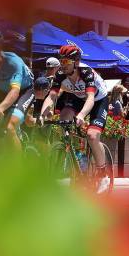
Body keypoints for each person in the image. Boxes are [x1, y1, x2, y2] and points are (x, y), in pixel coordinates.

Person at [51, 45, 110, 194]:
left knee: (92, 135)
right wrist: (43, 114)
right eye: (61, 61)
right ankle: (78, 154)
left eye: (66, 62)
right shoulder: (60, 74)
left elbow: (90, 98)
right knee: (64, 119)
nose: (62, 65)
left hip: (98, 100)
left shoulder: (86, 72)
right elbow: (52, 96)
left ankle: (103, 174)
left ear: (76, 62)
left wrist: (82, 115)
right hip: (78, 97)